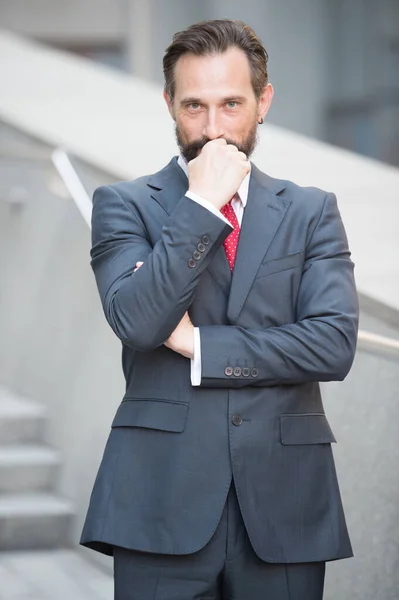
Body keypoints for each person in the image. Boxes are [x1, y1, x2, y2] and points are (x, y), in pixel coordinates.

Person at [80, 19, 359, 600]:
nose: (212, 129)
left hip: (286, 505)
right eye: (194, 106)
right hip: (158, 501)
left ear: (264, 102)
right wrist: (203, 202)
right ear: (168, 104)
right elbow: (136, 321)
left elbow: (332, 343)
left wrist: (198, 345)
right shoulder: (123, 205)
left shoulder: (311, 212)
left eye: (231, 104)